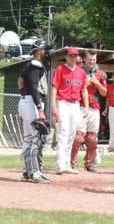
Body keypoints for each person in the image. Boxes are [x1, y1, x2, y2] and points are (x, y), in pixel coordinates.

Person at [51, 47, 89, 175]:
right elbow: (54, 88)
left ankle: (67, 164)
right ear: (66, 56)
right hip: (62, 103)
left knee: (72, 134)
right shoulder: (60, 69)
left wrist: (87, 107)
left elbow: (84, 90)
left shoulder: (81, 72)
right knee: (63, 133)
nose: (73, 58)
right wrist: (53, 107)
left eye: (75, 56)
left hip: (75, 105)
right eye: (71, 55)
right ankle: (60, 165)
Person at [17, 39, 50, 183]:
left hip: (25, 102)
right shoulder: (36, 64)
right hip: (32, 104)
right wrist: (39, 109)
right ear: (37, 51)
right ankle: (35, 174)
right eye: (43, 49)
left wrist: (24, 95)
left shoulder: (28, 65)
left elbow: (20, 81)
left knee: (28, 139)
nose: (45, 52)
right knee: (37, 138)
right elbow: (34, 88)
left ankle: (26, 173)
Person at [70, 50, 107, 172]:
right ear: (85, 60)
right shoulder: (79, 71)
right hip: (81, 106)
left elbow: (105, 93)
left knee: (92, 138)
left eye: (94, 59)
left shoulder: (100, 74)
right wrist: (84, 84)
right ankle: (71, 163)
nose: (92, 62)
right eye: (90, 59)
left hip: (95, 107)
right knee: (78, 137)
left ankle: (89, 164)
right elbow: (74, 87)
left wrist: (97, 83)